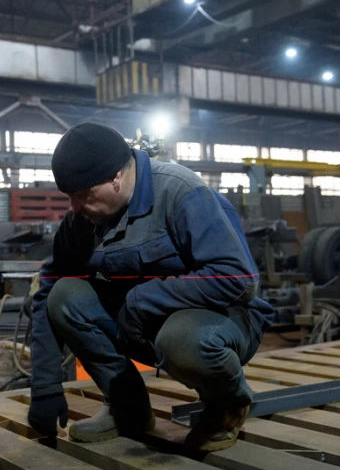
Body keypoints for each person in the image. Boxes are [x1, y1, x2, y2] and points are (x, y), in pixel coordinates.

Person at [26, 123, 274, 451]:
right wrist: (45, 386)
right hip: (140, 324)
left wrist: (144, 299)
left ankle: (226, 406)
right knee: (65, 297)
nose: (73, 208)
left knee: (182, 339)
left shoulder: (181, 192)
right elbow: (47, 290)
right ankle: (127, 407)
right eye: (69, 197)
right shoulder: (83, 220)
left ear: (115, 176)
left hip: (221, 319)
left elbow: (236, 279)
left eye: (82, 195)